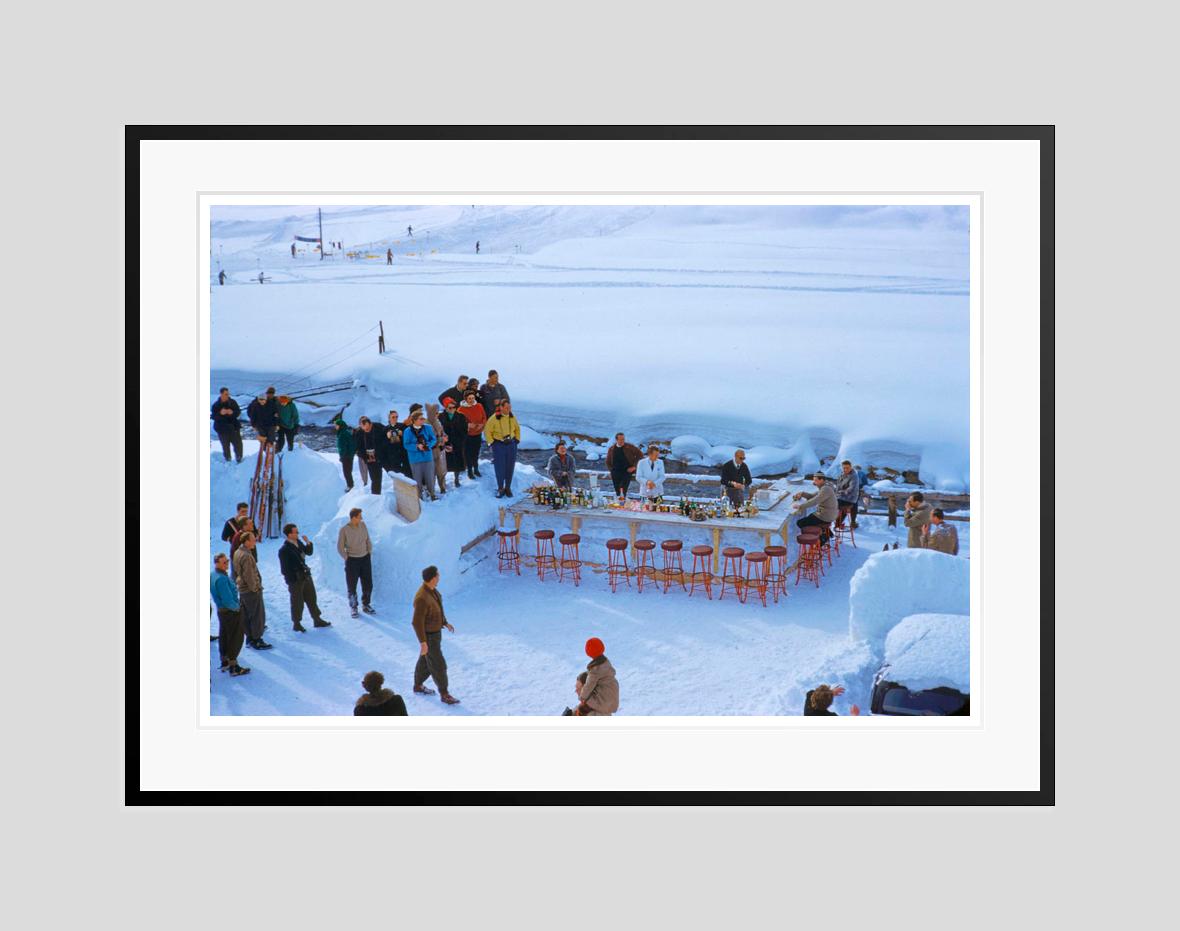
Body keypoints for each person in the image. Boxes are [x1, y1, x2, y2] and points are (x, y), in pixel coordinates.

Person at [411, 565, 459, 705]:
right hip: (430, 637)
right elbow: (416, 622)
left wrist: (444, 622)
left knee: (426, 662)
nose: (439, 577)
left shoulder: (432, 591)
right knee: (438, 665)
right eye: (438, 575)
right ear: (432, 578)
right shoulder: (422, 597)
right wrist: (423, 642)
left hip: (435, 635)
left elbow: (436, 609)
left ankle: (418, 686)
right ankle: (445, 694)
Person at [278, 523, 330, 632]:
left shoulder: (298, 543)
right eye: (295, 532)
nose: (298, 533)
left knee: (311, 597)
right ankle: (296, 623)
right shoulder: (284, 550)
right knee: (297, 602)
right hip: (295, 579)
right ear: (289, 534)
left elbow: (309, 552)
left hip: (305, 575)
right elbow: (285, 569)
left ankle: (317, 619)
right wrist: (293, 580)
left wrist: (308, 542)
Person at [210, 554, 250, 676]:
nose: (227, 564)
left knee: (224, 635)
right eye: (224, 562)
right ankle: (233, 666)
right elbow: (228, 600)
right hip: (230, 612)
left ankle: (225, 661)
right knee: (235, 638)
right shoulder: (221, 578)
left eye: (227, 561)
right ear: (216, 563)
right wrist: (237, 608)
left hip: (222, 611)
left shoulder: (213, 574)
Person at [233, 532, 272, 650]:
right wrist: (255, 588)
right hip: (250, 591)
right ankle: (257, 639)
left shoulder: (238, 552)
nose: (255, 542)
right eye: (253, 540)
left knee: (247, 615)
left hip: (243, 589)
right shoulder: (247, 556)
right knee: (256, 615)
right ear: (246, 541)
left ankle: (250, 637)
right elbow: (249, 575)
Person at [337, 507, 375, 618]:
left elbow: (367, 539)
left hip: (365, 559)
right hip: (352, 560)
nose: (361, 518)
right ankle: (353, 607)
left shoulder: (363, 525)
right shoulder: (344, 530)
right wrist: (346, 557)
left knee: (368, 583)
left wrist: (369, 551)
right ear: (353, 518)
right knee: (352, 585)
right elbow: (340, 547)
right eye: (359, 516)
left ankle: (366, 604)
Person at [484, 399, 521, 498]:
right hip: (499, 444)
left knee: (510, 466)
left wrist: (517, 439)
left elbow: (517, 428)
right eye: (506, 408)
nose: (508, 409)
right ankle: (500, 488)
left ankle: (508, 487)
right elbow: (487, 431)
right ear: (501, 407)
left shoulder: (512, 417)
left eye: (509, 407)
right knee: (500, 467)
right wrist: (492, 443)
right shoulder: (493, 418)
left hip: (511, 444)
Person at [572, 638, 619, 716]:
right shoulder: (606, 663)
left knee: (587, 700)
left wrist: (582, 697)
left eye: (578, 688)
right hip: (612, 699)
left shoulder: (595, 670)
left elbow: (589, 685)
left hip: (604, 702)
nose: (575, 690)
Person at [404, 409, 440, 501]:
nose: (423, 420)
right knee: (417, 479)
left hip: (428, 457)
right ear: (414, 420)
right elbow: (406, 444)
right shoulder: (407, 431)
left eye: (423, 418)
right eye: (421, 419)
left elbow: (434, 440)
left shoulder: (428, 427)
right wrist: (417, 446)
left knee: (430, 477)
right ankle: (419, 496)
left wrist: (428, 445)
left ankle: (432, 494)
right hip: (415, 459)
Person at [353, 416, 388, 496]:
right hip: (370, 459)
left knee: (393, 473)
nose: (366, 430)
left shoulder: (378, 427)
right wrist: (365, 458)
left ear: (370, 424)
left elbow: (387, 435)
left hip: (383, 456)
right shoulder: (359, 432)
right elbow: (358, 448)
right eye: (363, 428)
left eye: (367, 428)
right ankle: (375, 497)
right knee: (376, 480)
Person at [439, 398, 469, 488]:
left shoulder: (461, 416)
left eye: (454, 407)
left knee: (457, 462)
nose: (452, 409)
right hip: (446, 442)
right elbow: (438, 430)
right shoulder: (441, 417)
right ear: (446, 408)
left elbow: (464, 430)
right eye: (449, 407)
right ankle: (442, 482)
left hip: (457, 442)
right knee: (444, 463)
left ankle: (456, 479)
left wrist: (460, 441)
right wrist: (444, 441)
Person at [210, 387, 244, 462]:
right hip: (222, 429)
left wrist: (232, 412)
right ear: (221, 394)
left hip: (234, 428)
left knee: (238, 444)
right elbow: (213, 416)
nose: (227, 396)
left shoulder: (232, 402)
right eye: (226, 394)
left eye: (228, 394)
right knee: (225, 446)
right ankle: (228, 460)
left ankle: (239, 459)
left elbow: (238, 412)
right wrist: (220, 413)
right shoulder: (216, 405)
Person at [459, 389, 486, 479]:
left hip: (478, 434)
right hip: (467, 435)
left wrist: (482, 425)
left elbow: (484, 418)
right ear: (465, 399)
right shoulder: (461, 409)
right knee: (468, 453)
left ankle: (476, 469)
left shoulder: (479, 406)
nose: (471, 400)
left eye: (473, 398)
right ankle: (470, 470)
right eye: (469, 398)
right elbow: (458, 423)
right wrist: (467, 425)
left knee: (476, 452)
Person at [605, 433, 641, 499]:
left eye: (623, 439)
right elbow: (607, 462)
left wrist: (634, 467)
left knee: (623, 488)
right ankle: (620, 504)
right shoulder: (612, 449)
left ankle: (622, 503)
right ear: (616, 440)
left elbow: (640, 455)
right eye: (620, 439)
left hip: (627, 471)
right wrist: (611, 470)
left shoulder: (629, 447)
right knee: (617, 489)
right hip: (615, 472)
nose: (622, 441)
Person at [382, 410, 411, 478]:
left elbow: (408, 438)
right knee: (397, 474)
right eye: (393, 417)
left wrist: (402, 434)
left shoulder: (402, 426)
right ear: (389, 418)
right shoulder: (385, 429)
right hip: (393, 455)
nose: (395, 418)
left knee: (408, 472)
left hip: (403, 453)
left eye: (396, 417)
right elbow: (383, 444)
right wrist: (388, 438)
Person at [332, 414, 357, 490]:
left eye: (336, 425)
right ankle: (350, 485)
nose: (335, 427)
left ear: (340, 426)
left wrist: (343, 456)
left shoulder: (343, 434)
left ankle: (350, 486)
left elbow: (344, 447)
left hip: (347, 456)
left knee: (347, 472)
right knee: (347, 471)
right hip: (348, 456)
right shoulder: (343, 432)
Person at [834, 459, 861, 527]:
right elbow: (838, 486)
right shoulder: (842, 475)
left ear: (851, 467)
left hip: (850, 498)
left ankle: (835, 523)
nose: (845, 469)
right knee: (831, 502)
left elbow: (851, 490)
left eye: (847, 468)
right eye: (844, 468)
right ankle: (837, 522)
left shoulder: (854, 476)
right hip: (841, 497)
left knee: (834, 503)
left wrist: (839, 492)